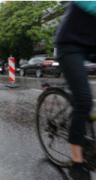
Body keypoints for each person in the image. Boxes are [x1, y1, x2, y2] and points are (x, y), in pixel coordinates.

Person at [55, 2, 96, 180]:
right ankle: (76, 161)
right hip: (70, 45)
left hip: (92, 45)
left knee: (84, 102)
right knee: (84, 101)